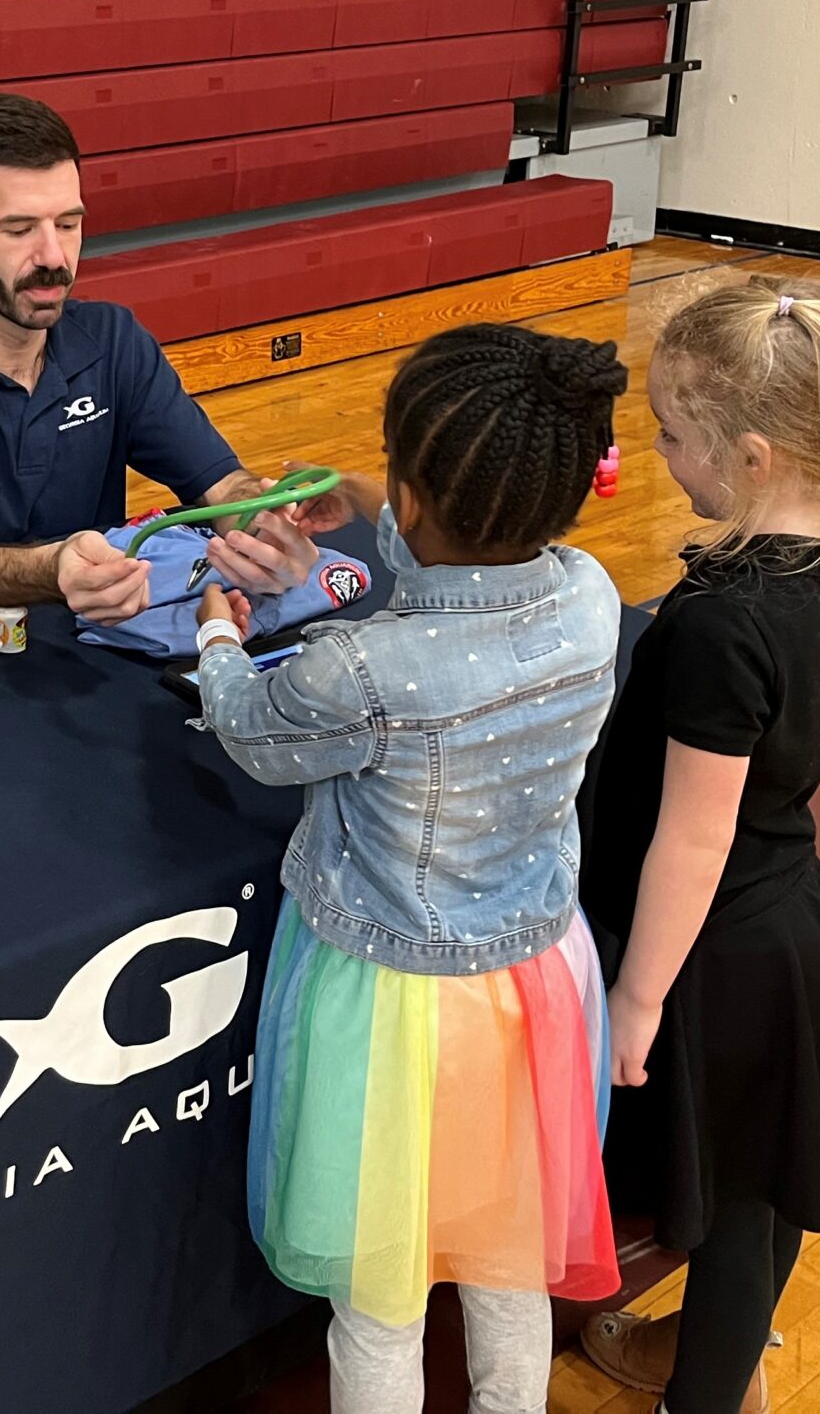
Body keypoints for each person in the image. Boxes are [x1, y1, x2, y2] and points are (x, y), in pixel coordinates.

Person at [190, 322, 630, 1414]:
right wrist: (370, 498)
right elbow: (463, 580)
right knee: (505, 1256)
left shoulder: (356, 667)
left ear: (415, 499)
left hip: (390, 1011)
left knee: (379, 1296)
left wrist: (214, 636)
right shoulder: (589, 593)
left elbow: (253, 733)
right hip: (534, 986)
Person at [574, 276, 820, 1414]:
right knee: (769, 1186)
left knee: (724, 1201)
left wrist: (636, 998)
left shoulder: (723, 619)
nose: (662, 453)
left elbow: (692, 831)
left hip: (714, 949)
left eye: (672, 436)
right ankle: (713, 1364)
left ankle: (706, 1393)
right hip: (793, 915)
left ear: (754, 456)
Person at [0, 92, 320, 622]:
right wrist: (46, 568)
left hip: (92, 654)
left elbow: (226, 487)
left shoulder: (113, 340)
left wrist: (260, 528)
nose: (54, 258)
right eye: (19, 230)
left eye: (67, 224)